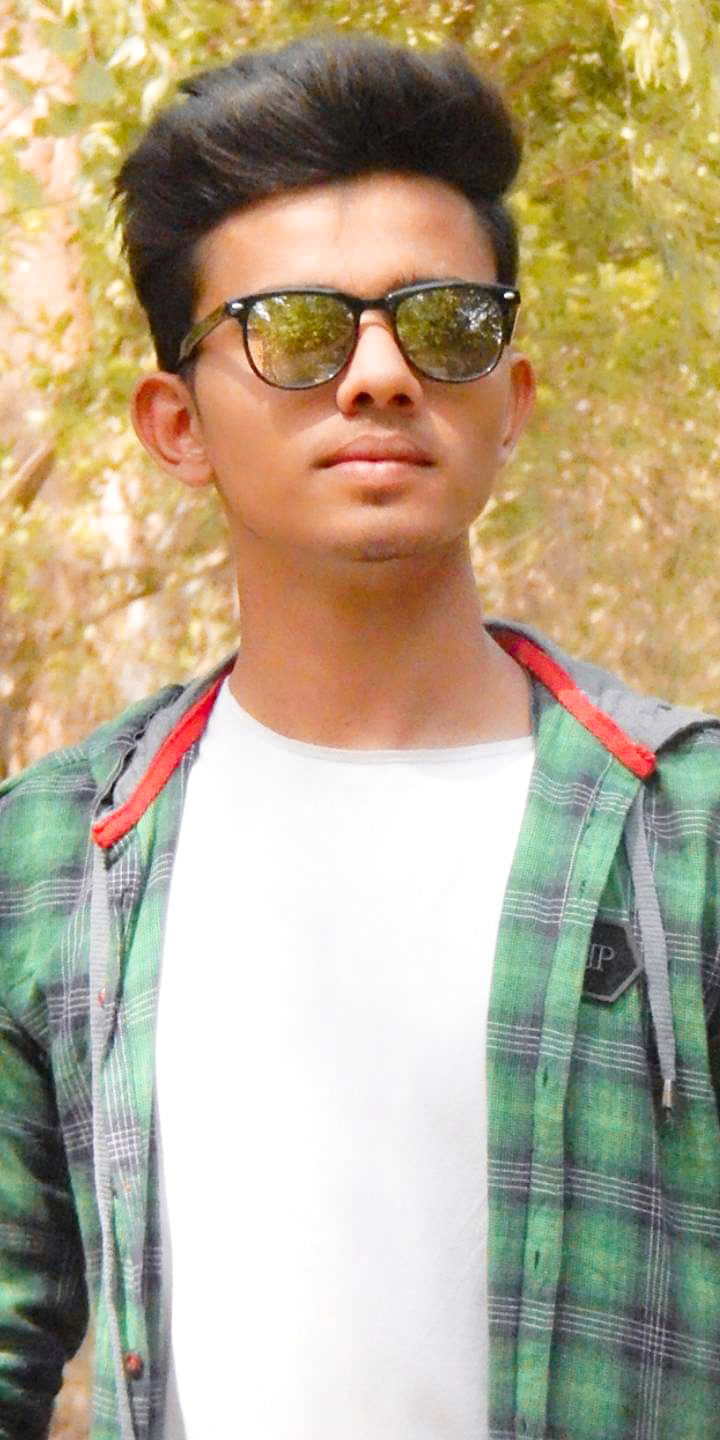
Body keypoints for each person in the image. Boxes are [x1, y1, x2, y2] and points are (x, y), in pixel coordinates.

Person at [1, 30, 720, 1440]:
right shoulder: (52, 862)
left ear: (510, 400)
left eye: (443, 323)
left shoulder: (686, 835)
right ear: (175, 423)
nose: (380, 375)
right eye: (296, 329)